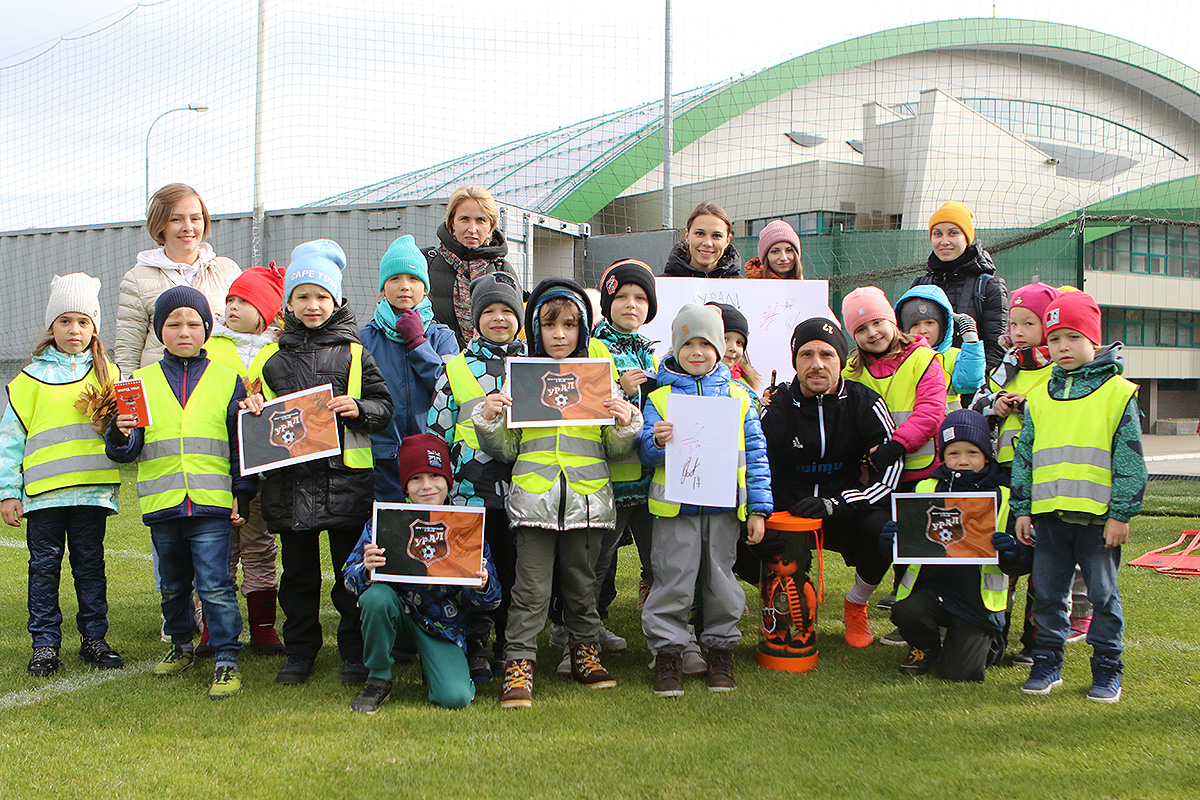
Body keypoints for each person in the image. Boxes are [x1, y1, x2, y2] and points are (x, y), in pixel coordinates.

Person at [472, 277, 640, 709]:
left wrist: (625, 424)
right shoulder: (521, 383)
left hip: (587, 503)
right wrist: (489, 419)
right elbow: (505, 449)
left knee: (583, 586)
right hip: (534, 506)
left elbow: (614, 448)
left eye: (569, 325)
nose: (560, 334)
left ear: (582, 330)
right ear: (535, 329)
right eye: (549, 325)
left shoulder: (600, 382)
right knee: (529, 590)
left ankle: (584, 651)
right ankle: (519, 664)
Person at [252, 240, 394, 686]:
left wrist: (359, 408)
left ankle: (353, 650)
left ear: (336, 301)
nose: (312, 305)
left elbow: (383, 406)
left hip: (346, 484)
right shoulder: (268, 359)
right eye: (302, 296)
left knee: (350, 573)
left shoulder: (355, 354)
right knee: (297, 577)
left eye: (321, 296)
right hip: (290, 485)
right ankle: (299, 651)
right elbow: (250, 412)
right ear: (288, 303)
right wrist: (252, 406)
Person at [104, 287, 251, 700]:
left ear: (207, 328)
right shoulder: (140, 383)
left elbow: (239, 444)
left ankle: (226, 658)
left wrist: (243, 490)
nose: (183, 330)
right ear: (158, 331)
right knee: (171, 585)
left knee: (216, 584)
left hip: (211, 503)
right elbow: (127, 450)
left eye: (193, 323)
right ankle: (181, 646)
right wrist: (120, 433)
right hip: (163, 502)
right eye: (173, 323)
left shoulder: (228, 379)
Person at [1011, 290, 1145, 703]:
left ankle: (1108, 669)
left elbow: (1131, 461)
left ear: (1094, 340)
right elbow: (1025, 456)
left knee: (1103, 598)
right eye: (1054, 338)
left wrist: (1120, 514)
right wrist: (1022, 509)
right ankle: (1047, 663)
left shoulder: (1118, 393)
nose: (1062, 347)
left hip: (1098, 523)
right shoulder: (1038, 396)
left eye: (1072, 337)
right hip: (1049, 520)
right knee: (1048, 595)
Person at [639, 304, 772, 696]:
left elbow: (756, 453)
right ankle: (668, 654)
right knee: (672, 580)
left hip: (724, 508)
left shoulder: (740, 397)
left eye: (706, 343)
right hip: (674, 509)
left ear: (720, 348)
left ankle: (719, 650)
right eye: (688, 344)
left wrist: (759, 509)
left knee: (721, 581)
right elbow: (646, 452)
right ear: (676, 348)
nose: (697, 352)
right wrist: (657, 441)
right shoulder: (659, 398)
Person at [1, 274, 123, 677]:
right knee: (44, 569)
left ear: (95, 327)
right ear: (51, 326)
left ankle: (94, 639)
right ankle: (45, 645)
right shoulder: (27, 381)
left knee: (90, 566)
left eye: (84, 322)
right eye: (66, 321)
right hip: (43, 496)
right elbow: (9, 442)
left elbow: (130, 431)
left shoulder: (112, 376)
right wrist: (7, 492)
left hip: (91, 492)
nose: (75, 330)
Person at [758, 318, 901, 650]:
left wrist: (840, 503)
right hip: (789, 510)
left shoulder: (865, 402)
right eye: (806, 355)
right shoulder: (777, 406)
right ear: (794, 361)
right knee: (741, 534)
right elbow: (756, 465)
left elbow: (891, 470)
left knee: (885, 530)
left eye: (826, 354)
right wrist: (765, 513)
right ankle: (784, 598)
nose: (817, 364)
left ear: (841, 359)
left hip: (845, 506)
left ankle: (856, 605)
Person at [971, 282, 1091, 662]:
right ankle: (993, 635)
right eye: (1015, 323)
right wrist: (995, 404)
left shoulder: (1059, 370)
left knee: (1045, 562)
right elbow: (976, 405)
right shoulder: (1005, 368)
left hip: (1046, 481)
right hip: (1003, 480)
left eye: (1029, 324)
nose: (1019, 332)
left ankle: (1038, 641)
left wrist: (1030, 407)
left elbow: (1069, 413)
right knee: (1000, 557)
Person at [342, 434, 500, 713]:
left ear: (448, 481)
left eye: (434, 476)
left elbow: (490, 602)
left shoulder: (466, 526)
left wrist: (482, 582)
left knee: (456, 698)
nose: (426, 486)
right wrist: (365, 569)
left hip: (442, 626)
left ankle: (437, 665)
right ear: (405, 485)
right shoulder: (385, 522)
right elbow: (349, 581)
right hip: (396, 617)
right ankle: (378, 677)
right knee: (375, 598)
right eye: (416, 479)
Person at [427, 271, 526, 680]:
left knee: (516, 570)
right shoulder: (456, 370)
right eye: (490, 311)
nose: (499, 318)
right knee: (472, 574)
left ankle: (511, 642)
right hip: (470, 495)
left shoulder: (534, 367)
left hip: (523, 493)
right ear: (475, 318)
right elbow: (437, 432)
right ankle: (475, 642)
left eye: (508, 310)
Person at [882, 410, 1016, 682]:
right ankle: (925, 647)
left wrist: (1012, 551)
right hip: (930, 591)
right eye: (954, 453)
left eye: (972, 453)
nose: (963, 461)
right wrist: (889, 542)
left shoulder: (1003, 495)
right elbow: (904, 553)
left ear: (986, 456)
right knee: (905, 610)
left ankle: (991, 641)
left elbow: (1021, 563)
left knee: (960, 674)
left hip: (976, 600)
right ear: (943, 456)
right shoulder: (925, 488)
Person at [202, 264, 287, 655]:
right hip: (217, 465)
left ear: (266, 311)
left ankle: (263, 625)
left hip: (263, 469)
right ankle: (212, 624)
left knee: (258, 543)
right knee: (218, 549)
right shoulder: (209, 348)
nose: (233, 307)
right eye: (230, 299)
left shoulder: (279, 351)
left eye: (244, 301)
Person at [361, 234, 458, 501]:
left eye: (414, 279)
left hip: (430, 454)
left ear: (425, 289)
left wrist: (417, 342)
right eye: (395, 279)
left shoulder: (442, 336)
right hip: (382, 454)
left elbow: (447, 388)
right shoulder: (364, 339)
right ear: (383, 288)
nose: (405, 286)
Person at [589, 260, 660, 623]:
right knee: (600, 556)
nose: (631, 304)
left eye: (640, 298)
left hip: (647, 474)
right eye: (622, 297)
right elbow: (586, 401)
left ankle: (658, 622)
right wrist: (621, 388)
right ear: (607, 303)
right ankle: (583, 626)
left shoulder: (651, 351)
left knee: (657, 554)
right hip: (609, 474)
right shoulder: (594, 347)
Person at [116, 183, 241, 376]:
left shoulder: (228, 270)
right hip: (162, 394)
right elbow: (128, 351)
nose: (188, 227)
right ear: (160, 225)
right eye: (176, 219)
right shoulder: (138, 279)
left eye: (195, 218)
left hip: (218, 390)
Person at [842, 286, 945, 487]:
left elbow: (931, 411)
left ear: (892, 321)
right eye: (861, 329)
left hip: (921, 473)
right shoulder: (850, 371)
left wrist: (897, 446)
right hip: (875, 476)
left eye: (877, 322)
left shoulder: (922, 358)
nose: (872, 333)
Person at [910, 201, 1009, 371]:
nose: (944, 241)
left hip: (972, 391)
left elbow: (996, 349)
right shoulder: (920, 285)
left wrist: (971, 383)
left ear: (966, 237)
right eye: (938, 234)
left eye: (953, 233)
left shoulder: (989, 286)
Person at [425, 186, 518, 344]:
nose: (472, 229)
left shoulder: (502, 270)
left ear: (490, 227)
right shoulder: (427, 262)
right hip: (435, 363)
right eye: (465, 219)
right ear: (452, 222)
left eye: (481, 220)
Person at [895, 284, 985, 410]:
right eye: (915, 324)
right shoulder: (898, 357)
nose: (923, 330)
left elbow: (969, 384)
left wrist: (971, 340)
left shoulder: (953, 355)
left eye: (929, 323)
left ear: (943, 326)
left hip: (947, 426)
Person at [706, 302, 763, 412]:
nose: (733, 348)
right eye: (725, 339)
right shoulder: (682, 378)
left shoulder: (743, 383)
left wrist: (760, 405)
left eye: (739, 342)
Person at [663, 202, 741, 278]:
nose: (707, 243)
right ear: (687, 235)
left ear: (727, 240)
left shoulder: (743, 288)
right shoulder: (660, 285)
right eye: (700, 234)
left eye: (716, 236)